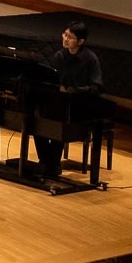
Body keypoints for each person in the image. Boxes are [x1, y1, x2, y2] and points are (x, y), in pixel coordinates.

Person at [40, 21, 105, 177]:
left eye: (70, 37)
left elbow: (96, 87)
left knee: (61, 123)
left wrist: (75, 91)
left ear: (80, 41)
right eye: (65, 34)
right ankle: (49, 163)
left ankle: (50, 165)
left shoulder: (90, 59)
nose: (65, 39)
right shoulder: (60, 56)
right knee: (36, 122)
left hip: (81, 107)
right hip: (60, 103)